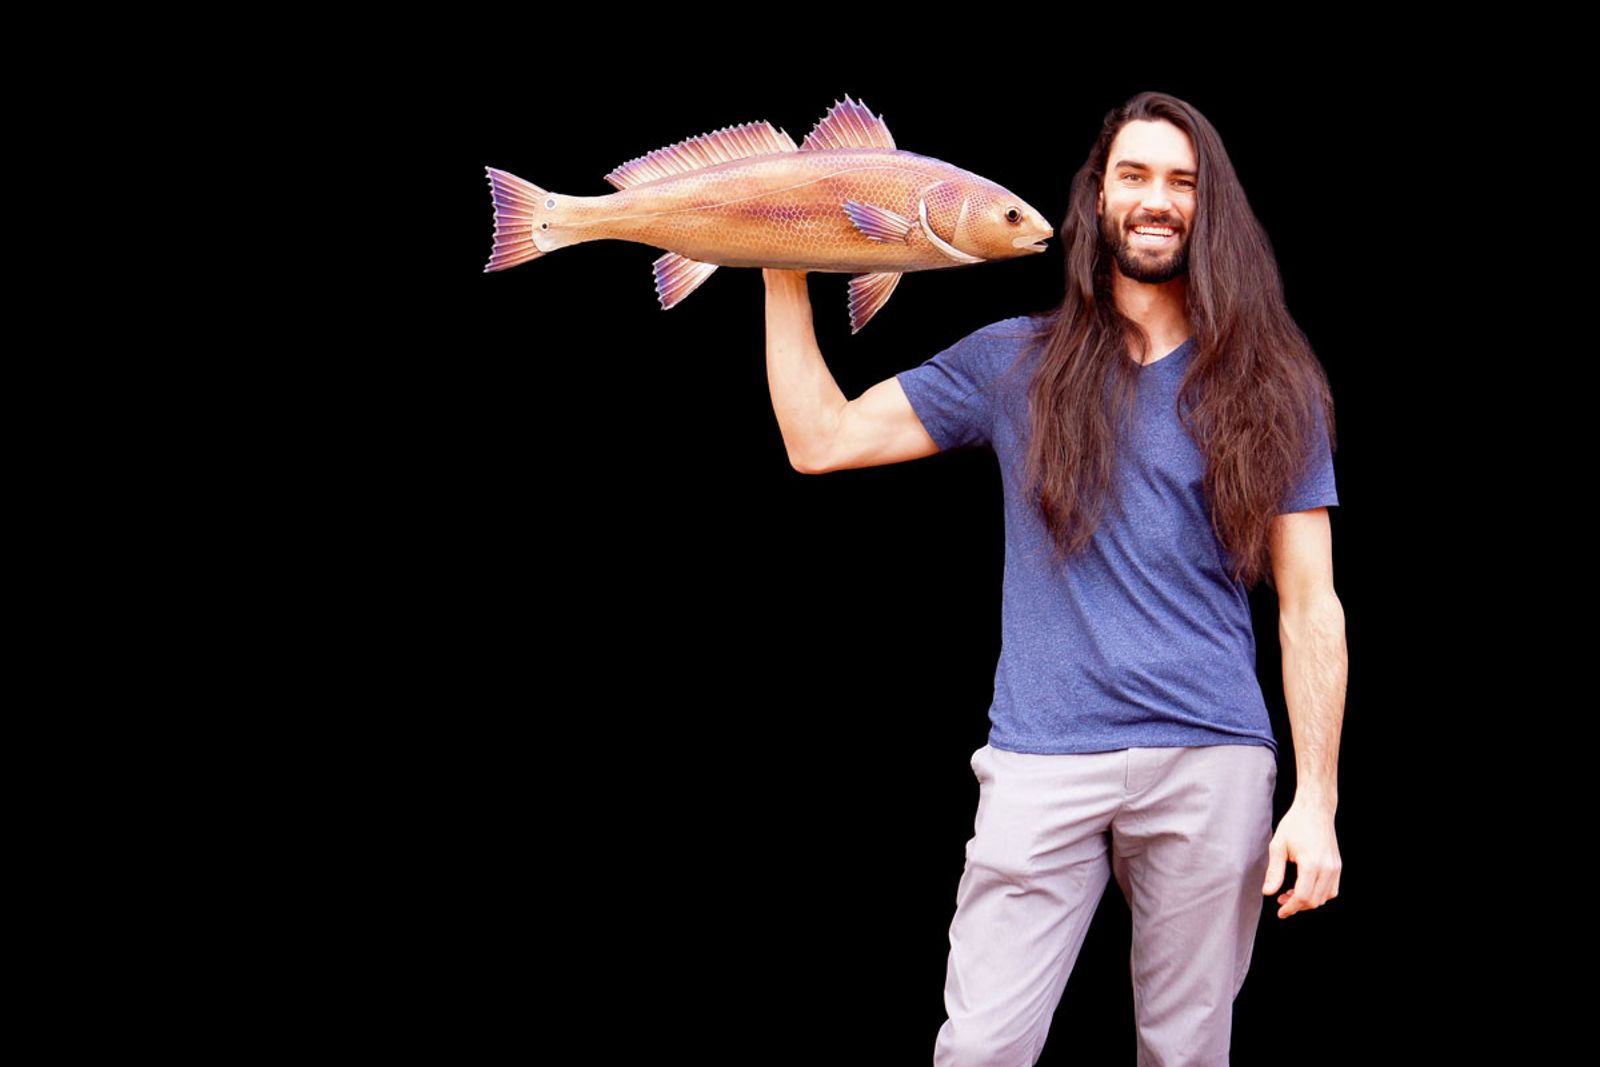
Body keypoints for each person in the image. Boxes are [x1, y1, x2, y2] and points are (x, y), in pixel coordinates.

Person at [761, 90, 1345, 1067]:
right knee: (981, 1047)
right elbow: (820, 439)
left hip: (1211, 760)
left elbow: (1311, 604)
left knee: (1186, 1052)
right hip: (1040, 759)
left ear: (1209, 207)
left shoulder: (1272, 383)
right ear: (1098, 196)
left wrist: (1317, 799)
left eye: (1181, 181)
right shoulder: (1013, 362)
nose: (1156, 199)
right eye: (1134, 174)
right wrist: (778, 257)